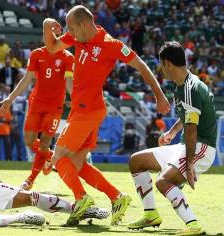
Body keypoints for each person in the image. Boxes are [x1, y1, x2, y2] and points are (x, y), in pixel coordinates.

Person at [42, 5, 170, 225]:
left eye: (71, 29)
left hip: (87, 111)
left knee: (60, 157)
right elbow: (52, 47)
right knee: (78, 163)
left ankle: (82, 199)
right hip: (85, 109)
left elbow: (141, 66)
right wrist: (46, 25)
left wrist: (159, 96)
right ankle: (117, 197)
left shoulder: (110, 45)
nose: (69, 34)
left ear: (84, 24)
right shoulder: (77, 37)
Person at [127, 41, 217, 235]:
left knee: (163, 181)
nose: (161, 70)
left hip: (201, 148)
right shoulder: (183, 85)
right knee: (137, 161)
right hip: (186, 145)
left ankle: (193, 224)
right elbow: (188, 117)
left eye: (161, 65)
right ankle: (151, 214)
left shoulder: (190, 89)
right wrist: (172, 133)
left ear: (167, 63)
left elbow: (192, 129)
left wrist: (190, 163)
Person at [0, 45, 74, 190]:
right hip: (36, 103)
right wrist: (10, 98)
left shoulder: (67, 57)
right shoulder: (37, 54)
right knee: (29, 141)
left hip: (55, 106)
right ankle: (52, 157)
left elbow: (70, 81)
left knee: (44, 143)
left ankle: (30, 180)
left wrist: (76, 99)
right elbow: (27, 78)